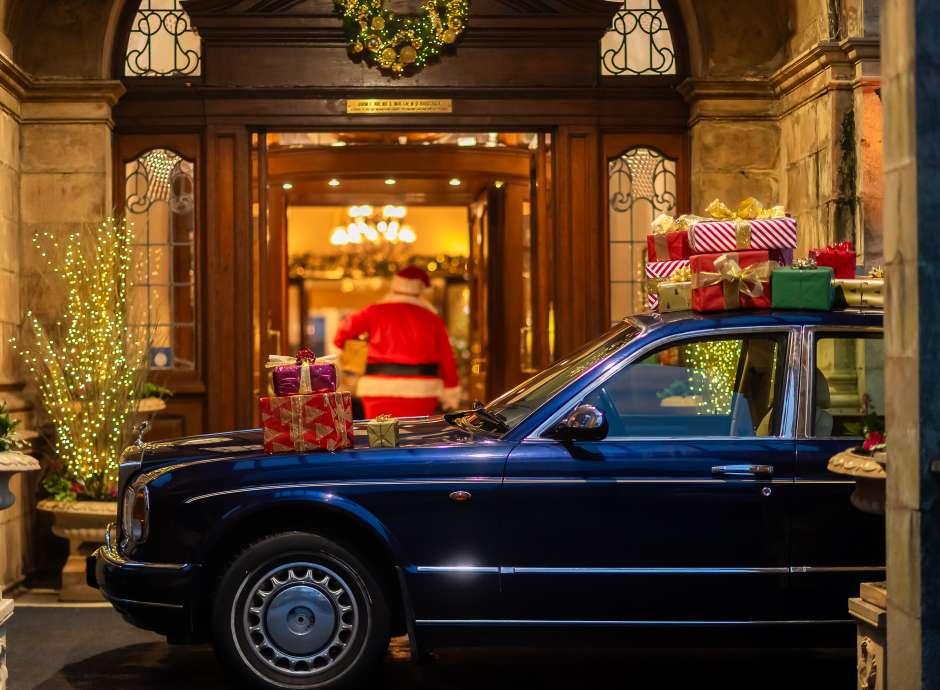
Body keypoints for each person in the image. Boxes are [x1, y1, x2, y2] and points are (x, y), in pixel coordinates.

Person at [333, 265, 461, 419]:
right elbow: (447, 358)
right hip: (422, 391)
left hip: (378, 389)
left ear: (394, 287)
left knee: (379, 437)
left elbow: (340, 337)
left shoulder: (374, 312)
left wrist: (360, 347)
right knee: (415, 438)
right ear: (420, 291)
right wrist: (451, 389)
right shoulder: (433, 319)